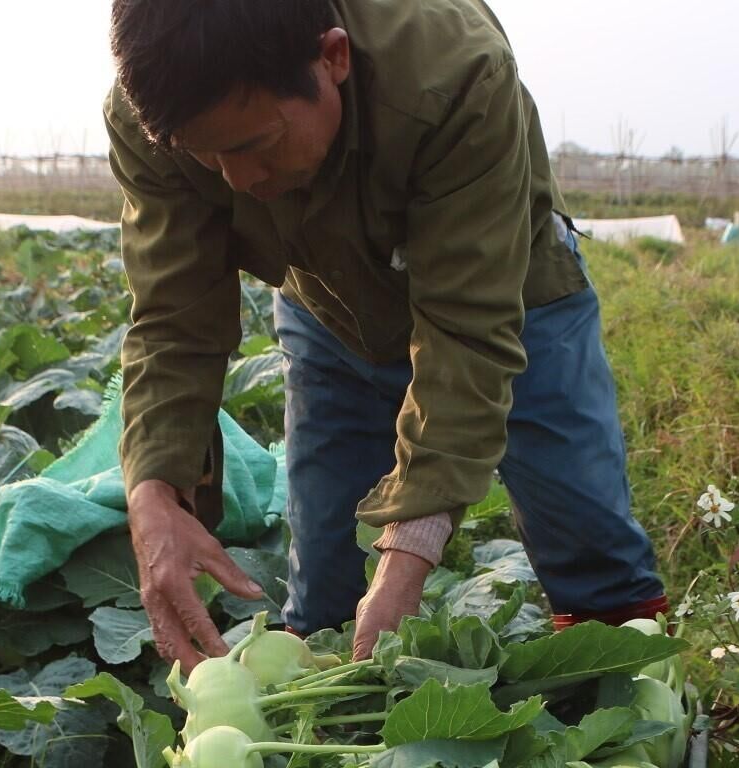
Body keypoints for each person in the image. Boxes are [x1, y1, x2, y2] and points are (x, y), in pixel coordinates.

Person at [104, 0, 667, 672]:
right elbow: (172, 319)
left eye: (256, 146)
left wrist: (411, 553)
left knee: (589, 544)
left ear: (333, 58)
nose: (240, 182)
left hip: (510, 293)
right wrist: (154, 491)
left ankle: (630, 673)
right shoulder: (156, 113)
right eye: (208, 156)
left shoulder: (456, 72)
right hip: (330, 310)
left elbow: (467, 327)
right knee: (329, 592)